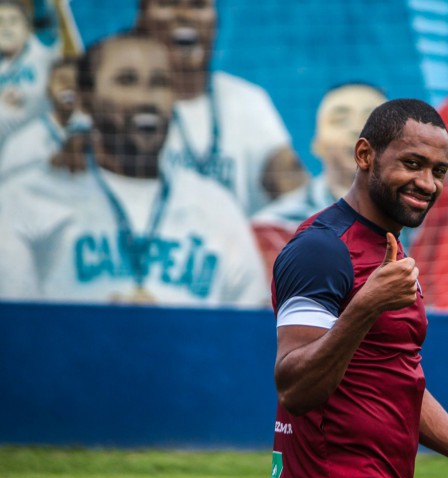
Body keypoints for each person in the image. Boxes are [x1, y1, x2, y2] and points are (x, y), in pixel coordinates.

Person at [270, 99, 448, 478]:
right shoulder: (322, 248)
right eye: (412, 164)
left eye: (439, 171)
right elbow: (294, 389)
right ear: (365, 155)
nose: (427, 183)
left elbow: (394, 383)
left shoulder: (389, 251)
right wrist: (366, 306)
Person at [0, 32, 268, 306]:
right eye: (126, 80)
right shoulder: (25, 201)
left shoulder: (217, 208)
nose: (147, 99)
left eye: (160, 82)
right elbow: (14, 335)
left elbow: (250, 333)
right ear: (86, 98)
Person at [134, 0, 307, 218]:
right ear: (141, 18)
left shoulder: (247, 100)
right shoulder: (121, 106)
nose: (184, 14)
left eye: (198, 5)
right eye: (169, 3)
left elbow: (291, 182)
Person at [251, 82, 387, 275]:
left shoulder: (423, 223)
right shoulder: (276, 228)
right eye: (340, 120)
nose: (357, 130)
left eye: (371, 121)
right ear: (317, 143)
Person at [0, 56, 79, 181]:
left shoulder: (94, 138)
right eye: (63, 81)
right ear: (48, 87)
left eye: (77, 83)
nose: (69, 89)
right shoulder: (23, 141)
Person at [0, 0, 58, 145]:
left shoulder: (40, 48)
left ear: (26, 27)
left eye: (13, 21)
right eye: (0, 22)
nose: (6, 27)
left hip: (45, 144)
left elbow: (45, 16)